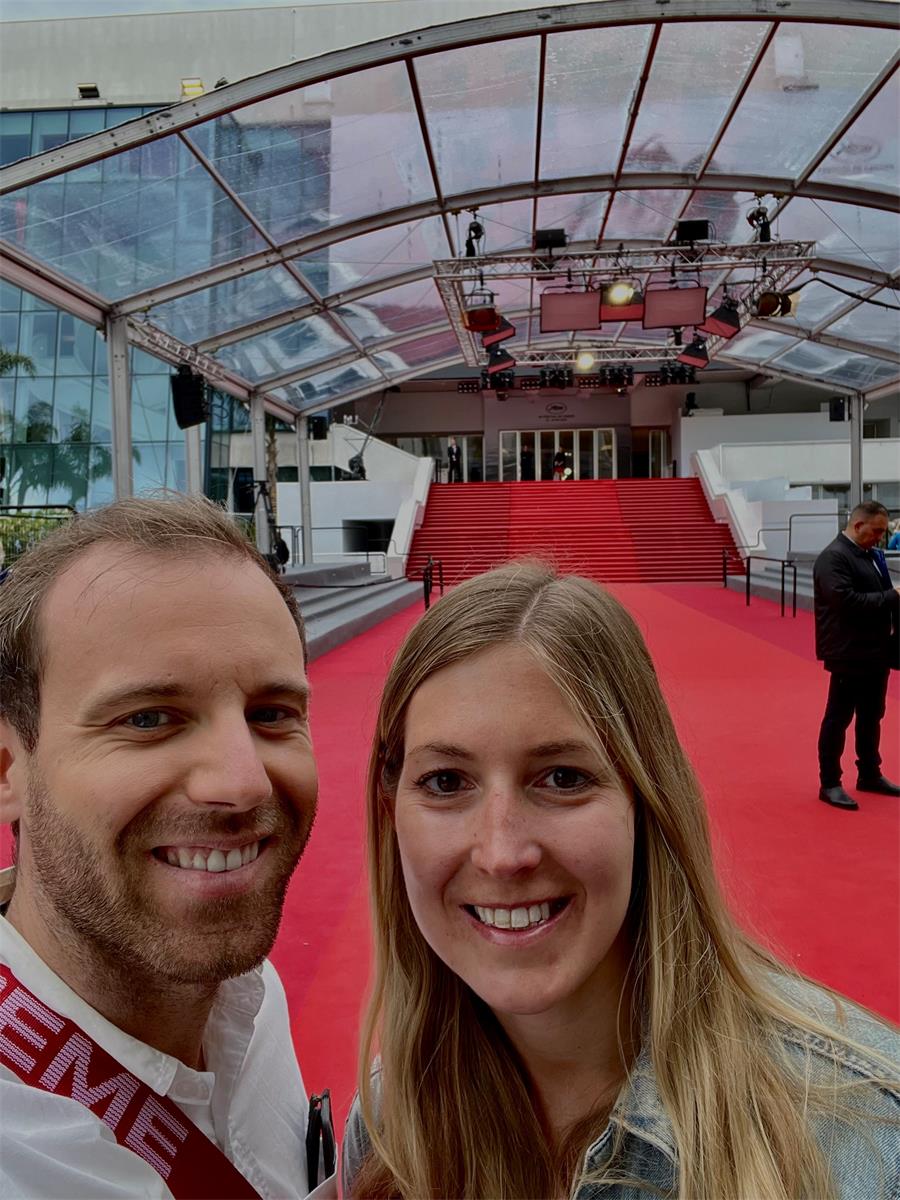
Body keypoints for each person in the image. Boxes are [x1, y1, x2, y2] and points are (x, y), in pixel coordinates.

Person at [342, 561, 899, 1199]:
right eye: (445, 782)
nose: (501, 853)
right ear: (390, 810)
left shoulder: (867, 1137)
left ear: (647, 797)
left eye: (563, 778)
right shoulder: (387, 1124)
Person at [0, 495, 335, 1199]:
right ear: (8, 769)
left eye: (272, 714)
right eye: (149, 718)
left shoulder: (251, 996)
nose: (243, 784)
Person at [813, 500, 900, 810]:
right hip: (847, 652)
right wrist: (893, 596)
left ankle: (869, 772)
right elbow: (846, 602)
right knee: (838, 718)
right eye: (876, 531)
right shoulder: (833, 558)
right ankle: (830, 782)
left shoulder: (869, 554)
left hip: (875, 651)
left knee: (872, 715)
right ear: (858, 524)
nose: (880, 537)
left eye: (883, 531)